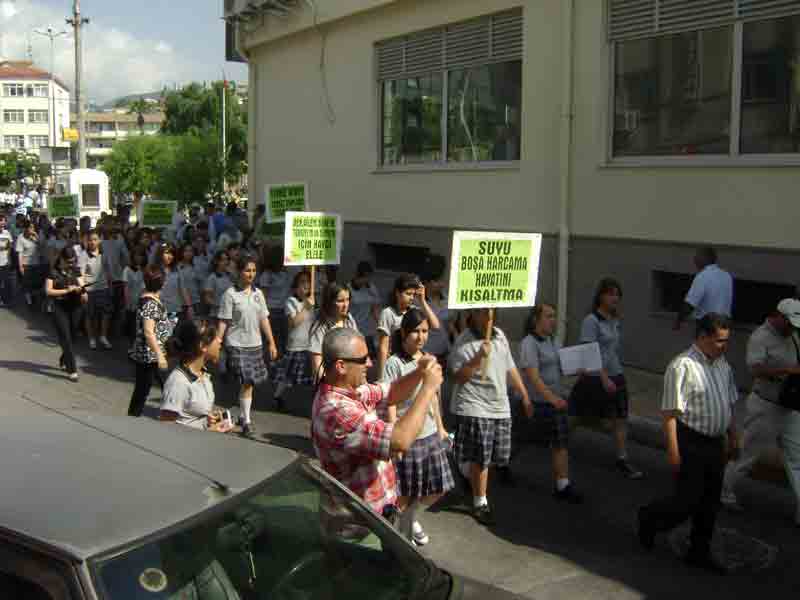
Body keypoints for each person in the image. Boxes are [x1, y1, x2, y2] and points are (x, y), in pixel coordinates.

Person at [638, 314, 739, 574]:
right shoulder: (682, 366)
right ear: (703, 337)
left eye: (727, 340)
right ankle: (651, 517)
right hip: (691, 440)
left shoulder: (723, 366)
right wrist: (673, 450)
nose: (724, 345)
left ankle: (699, 551)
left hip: (715, 442)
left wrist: (733, 436)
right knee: (686, 501)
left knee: (710, 502)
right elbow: (670, 414)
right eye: (719, 340)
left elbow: (728, 403)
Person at [311, 327, 444, 525]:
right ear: (341, 366)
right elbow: (400, 440)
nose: (370, 363)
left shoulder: (351, 389)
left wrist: (419, 372)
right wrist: (428, 389)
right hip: (358, 528)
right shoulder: (336, 412)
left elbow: (391, 392)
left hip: (377, 516)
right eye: (363, 359)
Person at [450, 308, 533, 525]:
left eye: (491, 311)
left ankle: (465, 470)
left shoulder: (498, 335)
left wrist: (524, 394)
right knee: (482, 456)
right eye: (482, 312)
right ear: (472, 314)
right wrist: (478, 358)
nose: (488, 316)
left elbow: (510, 367)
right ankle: (480, 502)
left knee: (498, 456)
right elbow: (459, 377)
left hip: (499, 405)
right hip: (474, 404)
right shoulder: (463, 341)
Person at [722, 299, 800, 515]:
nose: (793, 328)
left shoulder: (794, 335)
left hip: (790, 406)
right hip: (765, 406)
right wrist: (786, 371)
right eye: (790, 323)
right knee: (747, 455)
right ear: (779, 316)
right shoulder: (760, 337)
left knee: (798, 457)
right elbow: (755, 369)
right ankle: (723, 491)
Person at [383, 309, 453, 545]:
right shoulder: (394, 363)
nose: (421, 336)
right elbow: (390, 400)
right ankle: (397, 534)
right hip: (408, 437)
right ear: (404, 332)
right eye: (415, 331)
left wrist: (441, 427)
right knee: (405, 493)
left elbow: (433, 396)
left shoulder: (430, 359)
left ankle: (412, 519)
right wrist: (393, 434)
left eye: (424, 331)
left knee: (438, 487)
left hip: (430, 434)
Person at [569, 278, 643, 479]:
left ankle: (622, 458)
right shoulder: (591, 321)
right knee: (574, 416)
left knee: (620, 419)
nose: (615, 298)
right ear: (601, 296)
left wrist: (615, 375)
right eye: (611, 293)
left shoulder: (614, 320)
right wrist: (603, 379)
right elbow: (589, 351)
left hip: (615, 374)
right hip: (595, 377)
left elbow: (612, 349)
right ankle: (557, 442)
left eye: (617, 294)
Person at [518, 303, 583, 503]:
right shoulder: (529, 343)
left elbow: (562, 367)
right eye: (549, 316)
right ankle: (499, 464)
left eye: (554, 316)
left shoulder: (553, 341)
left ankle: (563, 485)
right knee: (519, 440)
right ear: (536, 320)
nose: (553, 320)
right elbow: (534, 378)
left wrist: (580, 368)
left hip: (553, 404)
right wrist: (552, 398)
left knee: (560, 442)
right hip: (536, 403)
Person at [215, 255, 279, 439]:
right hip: (236, 344)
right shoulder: (230, 294)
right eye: (247, 270)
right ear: (239, 272)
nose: (250, 274)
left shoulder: (259, 294)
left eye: (253, 270)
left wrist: (272, 342)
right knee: (247, 381)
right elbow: (224, 321)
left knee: (250, 382)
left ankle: (243, 415)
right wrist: (218, 342)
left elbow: (264, 318)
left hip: (255, 344)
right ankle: (247, 422)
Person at [160, 319, 232, 432]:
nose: (220, 340)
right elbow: (166, 427)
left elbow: (189, 418)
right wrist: (209, 431)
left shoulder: (204, 375)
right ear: (203, 346)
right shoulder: (178, 383)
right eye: (215, 337)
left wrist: (206, 421)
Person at [377, 273, 441, 387]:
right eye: (408, 294)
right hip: (396, 363)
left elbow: (435, 326)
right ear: (397, 293)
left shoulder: (414, 310)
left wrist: (422, 301)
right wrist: (382, 377)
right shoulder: (388, 313)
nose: (411, 297)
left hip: (412, 361)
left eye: (413, 294)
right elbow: (383, 346)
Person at [128, 265, 172, 417]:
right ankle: (132, 419)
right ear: (162, 283)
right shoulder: (150, 303)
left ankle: (171, 414)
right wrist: (159, 355)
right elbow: (148, 331)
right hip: (149, 355)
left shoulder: (148, 299)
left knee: (164, 386)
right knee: (143, 391)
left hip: (151, 353)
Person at [271, 270, 315, 410]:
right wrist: (306, 308)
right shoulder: (291, 301)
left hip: (309, 345)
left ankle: (316, 402)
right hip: (295, 345)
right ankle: (277, 396)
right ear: (295, 287)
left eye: (308, 282)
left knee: (312, 376)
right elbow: (293, 322)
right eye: (302, 282)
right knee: (287, 376)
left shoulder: (312, 301)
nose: (306, 285)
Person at [45, 246, 87, 382]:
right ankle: (72, 369)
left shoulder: (76, 270)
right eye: (69, 262)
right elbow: (48, 291)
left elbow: (82, 285)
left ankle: (64, 359)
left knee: (73, 337)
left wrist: (82, 292)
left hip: (75, 307)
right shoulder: (53, 272)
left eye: (73, 261)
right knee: (65, 338)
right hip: (59, 307)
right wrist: (66, 290)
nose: (71, 264)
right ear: (62, 259)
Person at [674, 246, 733, 330]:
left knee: (702, 343)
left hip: (707, 325)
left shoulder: (703, 276)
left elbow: (690, 304)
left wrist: (678, 321)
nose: (694, 260)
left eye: (697, 256)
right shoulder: (727, 275)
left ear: (704, 258)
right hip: (724, 325)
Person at [309, 282, 359, 379]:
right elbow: (317, 362)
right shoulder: (320, 325)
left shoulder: (349, 320)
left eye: (347, 300)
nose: (345, 305)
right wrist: (326, 386)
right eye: (340, 301)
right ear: (330, 301)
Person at [78, 230, 114, 350]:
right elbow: (80, 274)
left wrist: (110, 286)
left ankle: (103, 336)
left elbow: (108, 271)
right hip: (89, 290)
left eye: (95, 239)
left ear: (99, 240)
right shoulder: (83, 255)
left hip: (103, 288)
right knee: (89, 315)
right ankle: (91, 338)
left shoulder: (104, 254)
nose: (92, 242)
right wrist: (83, 291)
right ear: (87, 241)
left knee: (105, 314)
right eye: (90, 240)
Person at [257, 243, 291, 356]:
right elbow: (263, 297)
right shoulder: (266, 275)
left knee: (283, 340)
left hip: (285, 310)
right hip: (272, 311)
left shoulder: (285, 273)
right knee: (273, 340)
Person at [348, 261, 381, 357]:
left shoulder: (371, 287)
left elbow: (374, 308)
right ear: (357, 275)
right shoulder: (348, 289)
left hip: (367, 331)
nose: (366, 280)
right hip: (353, 329)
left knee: (370, 357)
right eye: (363, 277)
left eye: (368, 277)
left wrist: (380, 324)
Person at [154, 242, 193, 323]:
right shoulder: (153, 270)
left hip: (175, 310)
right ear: (160, 254)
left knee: (174, 334)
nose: (170, 256)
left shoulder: (177, 270)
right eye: (167, 253)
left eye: (172, 254)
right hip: (158, 310)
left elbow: (183, 289)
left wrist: (189, 306)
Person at [122, 247, 148, 347]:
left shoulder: (145, 270)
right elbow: (126, 288)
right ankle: (132, 346)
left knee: (143, 326)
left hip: (143, 301)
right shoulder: (127, 270)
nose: (139, 258)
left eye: (141, 255)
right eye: (136, 255)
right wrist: (128, 302)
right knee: (132, 326)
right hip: (131, 302)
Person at [16, 219, 40, 307]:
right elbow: (20, 253)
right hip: (26, 264)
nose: (32, 229)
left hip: (36, 263)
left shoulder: (35, 236)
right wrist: (20, 266)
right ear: (26, 228)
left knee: (35, 282)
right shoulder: (20, 237)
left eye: (33, 227)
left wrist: (36, 237)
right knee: (27, 283)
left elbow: (42, 247)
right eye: (30, 227)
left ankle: (34, 296)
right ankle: (28, 298)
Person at [203, 250, 232, 319]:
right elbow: (207, 299)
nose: (226, 262)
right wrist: (219, 305)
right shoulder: (212, 278)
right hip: (217, 315)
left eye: (227, 259)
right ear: (217, 262)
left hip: (230, 314)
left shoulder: (229, 276)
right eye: (223, 260)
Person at [0, 213, 13, 306]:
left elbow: (10, 246)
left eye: (3, 221)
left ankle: (6, 299)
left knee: (6, 282)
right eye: (1, 221)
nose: (3, 223)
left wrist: (10, 259)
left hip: (5, 262)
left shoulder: (7, 233)